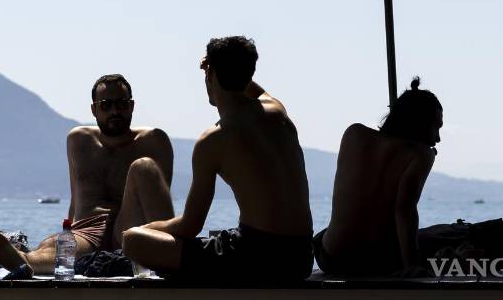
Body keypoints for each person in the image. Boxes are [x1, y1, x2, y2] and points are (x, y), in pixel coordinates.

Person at [122, 37, 314, 283]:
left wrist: (144, 229)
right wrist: (224, 67)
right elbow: (246, 82)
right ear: (249, 72)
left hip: (255, 259)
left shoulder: (213, 140)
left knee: (133, 241)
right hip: (300, 258)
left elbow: (189, 226)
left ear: (209, 73)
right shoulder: (277, 111)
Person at [0, 73, 174, 275]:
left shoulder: (153, 141)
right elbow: (76, 197)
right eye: (106, 105)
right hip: (88, 230)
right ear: (94, 110)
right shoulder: (79, 140)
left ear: (132, 106)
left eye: (122, 104)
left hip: (129, 227)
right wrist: (66, 233)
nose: (115, 111)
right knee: (59, 246)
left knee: (144, 167)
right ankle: (24, 260)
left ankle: (170, 252)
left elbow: (159, 202)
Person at [314, 77, 441, 276]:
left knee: (324, 235)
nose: (438, 138)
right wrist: (411, 266)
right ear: (422, 124)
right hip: (376, 262)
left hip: (331, 257)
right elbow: (404, 210)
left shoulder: (353, 133)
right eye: (437, 127)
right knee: (443, 236)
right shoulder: (421, 154)